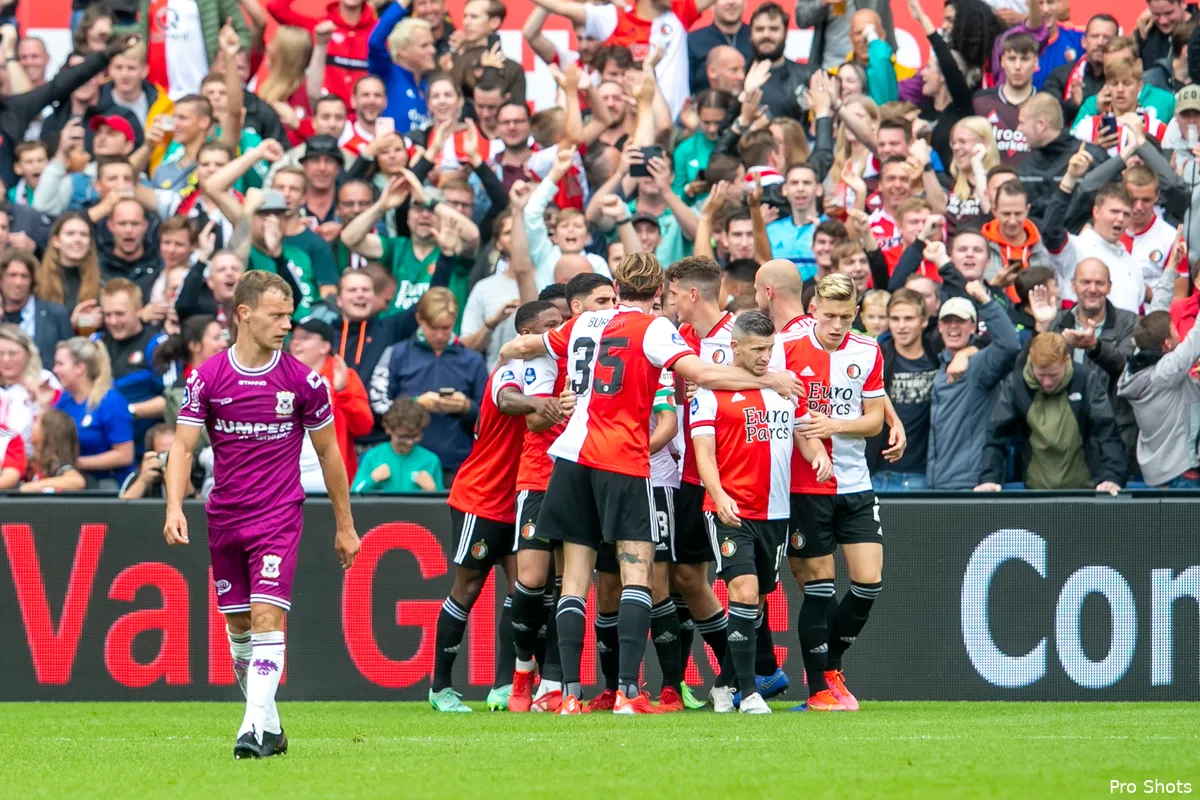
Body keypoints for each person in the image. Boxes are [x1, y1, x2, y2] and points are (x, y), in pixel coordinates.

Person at [498, 252, 800, 715]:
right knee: (638, 573)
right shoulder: (654, 328)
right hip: (620, 457)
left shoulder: (586, 323)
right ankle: (628, 693)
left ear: (616, 289)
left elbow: (530, 347)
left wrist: (511, 350)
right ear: (658, 292)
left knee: (575, 581)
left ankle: (566, 694)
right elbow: (698, 374)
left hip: (569, 457)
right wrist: (767, 379)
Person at [164, 270, 360, 760]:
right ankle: (270, 728)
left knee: (268, 618)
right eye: (276, 315)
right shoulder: (207, 377)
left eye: (289, 316)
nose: (286, 325)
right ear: (243, 314)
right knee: (239, 629)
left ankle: (250, 730)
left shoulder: (302, 381)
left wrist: (344, 523)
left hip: (278, 515)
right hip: (225, 516)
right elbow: (183, 448)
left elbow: (330, 455)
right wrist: (173, 506)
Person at [693, 310, 832, 715]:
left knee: (754, 604)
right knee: (745, 593)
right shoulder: (711, 391)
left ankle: (723, 686)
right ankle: (750, 694)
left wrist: (818, 452)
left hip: (775, 512)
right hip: (729, 509)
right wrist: (718, 495)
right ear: (734, 347)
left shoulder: (785, 387)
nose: (765, 356)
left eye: (770, 348)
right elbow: (704, 452)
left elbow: (804, 432)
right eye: (756, 349)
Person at [429, 299, 565, 713]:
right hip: (483, 496)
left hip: (522, 495)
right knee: (468, 588)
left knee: (526, 591)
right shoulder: (511, 369)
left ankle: (506, 685)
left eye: (562, 324)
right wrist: (538, 406)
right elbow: (507, 400)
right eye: (550, 325)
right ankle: (440, 688)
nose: (557, 332)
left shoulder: (555, 371)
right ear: (526, 335)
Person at [770, 273, 882, 713]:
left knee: (868, 583)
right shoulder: (788, 347)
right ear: (813, 308)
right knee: (818, 588)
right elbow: (785, 410)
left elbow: (873, 419)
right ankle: (820, 690)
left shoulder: (868, 350)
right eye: (828, 315)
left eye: (844, 316)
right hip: (804, 486)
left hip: (855, 482)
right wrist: (813, 443)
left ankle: (830, 665)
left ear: (855, 313)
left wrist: (834, 425)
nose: (836, 325)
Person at [507, 273, 612, 714]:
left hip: (584, 475)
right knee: (531, 582)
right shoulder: (546, 358)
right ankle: (521, 669)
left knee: (572, 584)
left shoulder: (606, 353)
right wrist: (557, 405)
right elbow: (532, 421)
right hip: (538, 475)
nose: (610, 309)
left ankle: (555, 683)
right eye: (601, 301)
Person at [924, 241, 1022, 490]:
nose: (954, 327)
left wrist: (985, 300)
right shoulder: (940, 365)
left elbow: (1010, 345)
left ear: (972, 327)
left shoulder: (978, 365)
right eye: (948, 322)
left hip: (969, 482)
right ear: (940, 326)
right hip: (935, 481)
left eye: (961, 322)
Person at [977, 332, 1126, 494]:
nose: (1047, 382)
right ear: (1031, 362)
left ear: (1067, 360)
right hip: (1036, 492)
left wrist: (1112, 477)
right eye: (1041, 375)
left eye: (1054, 375)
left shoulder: (1085, 379)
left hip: (1087, 490)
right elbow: (996, 437)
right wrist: (989, 478)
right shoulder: (1015, 385)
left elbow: (1107, 433)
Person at [528, 0, 718, 121]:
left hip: (675, 125)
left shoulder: (679, 12)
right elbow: (560, 6)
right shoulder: (612, 17)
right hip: (628, 124)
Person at [383, 288, 487, 485]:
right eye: (433, 327)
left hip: (457, 462)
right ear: (419, 318)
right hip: (405, 458)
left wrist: (465, 406)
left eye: (446, 328)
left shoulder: (473, 360)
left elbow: (489, 417)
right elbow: (379, 406)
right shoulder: (397, 354)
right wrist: (415, 404)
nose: (440, 335)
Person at [289, 318, 373, 492]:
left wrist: (342, 392)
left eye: (304, 337)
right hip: (288, 476)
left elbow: (363, 427)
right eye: (294, 337)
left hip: (331, 478)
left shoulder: (345, 377)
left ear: (324, 347)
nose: (296, 342)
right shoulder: (280, 376)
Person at [1044, 165, 1143, 314]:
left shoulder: (1133, 263)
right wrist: (1069, 179)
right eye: (1114, 211)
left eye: (1126, 214)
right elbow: (1050, 230)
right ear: (1096, 212)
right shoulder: (1076, 248)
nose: (1121, 219)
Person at [1119, 310, 1200, 487]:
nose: (1177, 328)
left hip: (1159, 474)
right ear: (1167, 343)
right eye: (1173, 328)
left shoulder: (1134, 367)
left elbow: (1155, 312)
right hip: (1183, 474)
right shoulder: (1166, 372)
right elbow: (1197, 336)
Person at [871, 288, 937, 491]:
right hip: (879, 473)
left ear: (924, 321)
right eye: (895, 318)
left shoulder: (938, 355)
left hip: (924, 474)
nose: (901, 326)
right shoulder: (877, 357)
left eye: (909, 318)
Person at [95, 278, 169, 452]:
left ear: (138, 310)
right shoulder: (96, 343)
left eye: (120, 314)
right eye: (107, 315)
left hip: (143, 447)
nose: (112, 321)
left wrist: (126, 411)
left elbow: (174, 400)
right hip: (102, 447)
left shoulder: (158, 346)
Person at [53, 336, 135, 488]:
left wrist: (75, 463)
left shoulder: (110, 401)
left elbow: (125, 455)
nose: (54, 369)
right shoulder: (63, 401)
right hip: (74, 482)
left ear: (80, 368)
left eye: (60, 364)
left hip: (109, 486)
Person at [266, 0, 378, 104]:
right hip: (325, 117)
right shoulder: (318, 27)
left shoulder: (378, 31)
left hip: (367, 118)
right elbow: (276, 8)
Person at [973, 33, 1039, 166]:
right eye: (1011, 58)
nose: (1017, 66)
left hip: (1032, 184)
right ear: (1002, 61)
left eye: (1025, 59)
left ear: (1036, 62)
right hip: (989, 182)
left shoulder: (1045, 105)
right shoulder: (980, 101)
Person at [351, 396, 443, 492]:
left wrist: (432, 489)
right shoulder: (373, 456)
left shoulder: (431, 460)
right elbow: (354, 494)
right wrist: (372, 479)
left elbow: (441, 504)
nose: (409, 442)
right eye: (402, 437)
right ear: (388, 430)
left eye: (415, 436)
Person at [1042, 14, 1120, 126]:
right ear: (1083, 41)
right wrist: (1072, 105)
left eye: (1107, 37)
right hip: (1070, 141)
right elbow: (1046, 119)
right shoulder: (1061, 75)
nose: (1100, 42)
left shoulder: (1126, 79)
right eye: (1094, 36)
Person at [368, 7, 437, 129]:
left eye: (432, 44)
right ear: (402, 50)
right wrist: (401, 5)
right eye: (424, 45)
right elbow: (374, 42)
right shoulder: (387, 74)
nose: (432, 51)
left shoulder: (429, 84)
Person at [1, 250, 72, 365]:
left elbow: (70, 359)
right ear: (1, 279)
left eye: (24, 276)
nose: (18, 282)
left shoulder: (55, 313)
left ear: (32, 281)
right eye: (12, 275)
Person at [18, 409, 87, 493]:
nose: (32, 426)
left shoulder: (56, 464)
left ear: (47, 431)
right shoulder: (31, 463)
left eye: (36, 422)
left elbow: (77, 481)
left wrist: (36, 485)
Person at [688, 0, 752, 91]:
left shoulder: (758, 38)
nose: (731, 2)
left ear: (745, 2)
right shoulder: (693, 41)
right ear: (710, 4)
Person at [119, 423, 180, 499]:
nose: (170, 459)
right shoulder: (139, 476)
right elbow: (121, 508)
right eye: (164, 454)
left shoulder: (192, 473)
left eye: (174, 453)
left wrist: (183, 481)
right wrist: (143, 481)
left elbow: (196, 508)